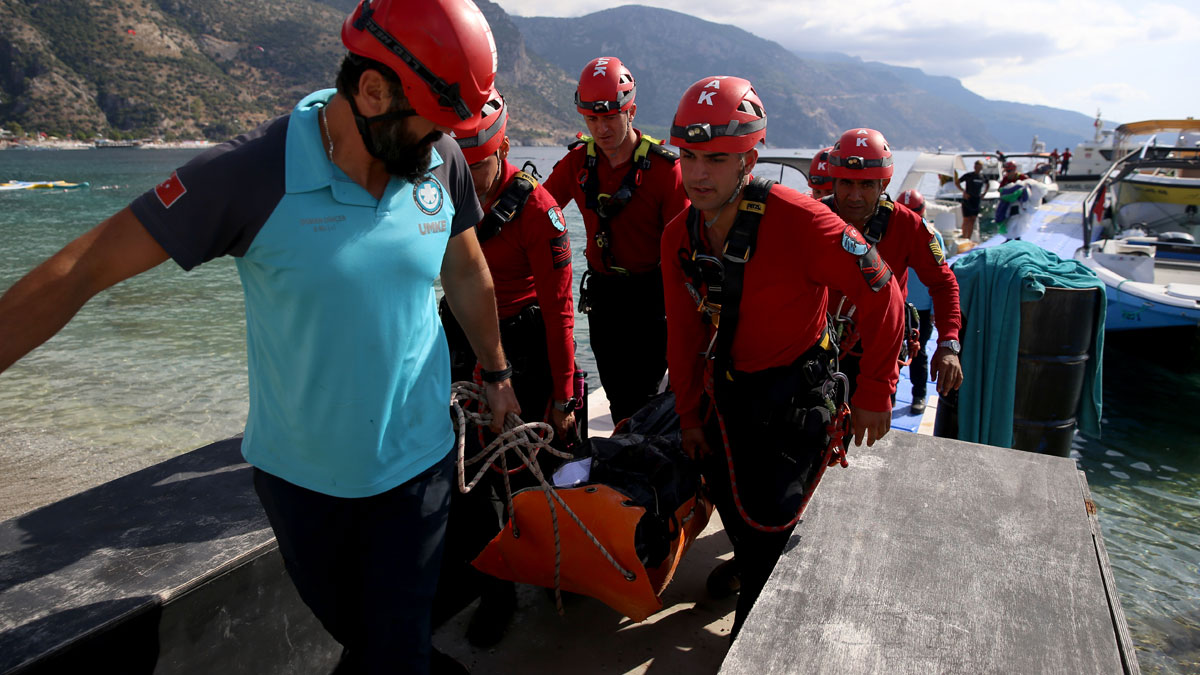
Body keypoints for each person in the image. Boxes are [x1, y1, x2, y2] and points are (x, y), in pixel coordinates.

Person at [0, 1, 517, 672]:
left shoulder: (440, 158)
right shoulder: (252, 174)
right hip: (301, 484)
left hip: (418, 468)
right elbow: (84, 267)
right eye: (431, 122)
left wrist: (498, 373)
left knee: (392, 652)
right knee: (373, 642)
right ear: (370, 90)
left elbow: (467, 268)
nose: (444, 142)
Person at [662, 76, 905, 639]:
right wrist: (690, 414)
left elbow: (884, 292)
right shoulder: (681, 233)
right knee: (735, 509)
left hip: (794, 396)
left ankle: (753, 636)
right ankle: (748, 569)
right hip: (728, 396)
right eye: (688, 156)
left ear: (748, 160)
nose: (696, 174)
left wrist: (875, 392)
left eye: (715, 159)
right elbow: (682, 333)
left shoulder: (803, 221)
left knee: (771, 525)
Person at [434, 87, 577, 648]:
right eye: (456, 169)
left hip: (521, 345)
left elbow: (561, 308)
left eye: (477, 167)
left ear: (505, 149)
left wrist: (563, 394)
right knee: (465, 472)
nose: (463, 181)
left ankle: (543, 568)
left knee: (521, 470)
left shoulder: (538, 210)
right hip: (459, 337)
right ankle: (493, 588)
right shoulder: (432, 197)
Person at [543, 56, 688, 425]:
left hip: (653, 298)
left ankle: (642, 462)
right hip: (605, 298)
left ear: (631, 111)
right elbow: (540, 212)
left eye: (609, 118)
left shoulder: (665, 171)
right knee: (616, 392)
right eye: (592, 119)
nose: (601, 129)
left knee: (644, 397)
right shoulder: (577, 164)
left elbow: (688, 246)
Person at [823, 127, 964, 404]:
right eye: (847, 183)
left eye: (866, 185)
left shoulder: (908, 227)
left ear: (883, 186)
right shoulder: (814, 218)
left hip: (878, 350)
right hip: (820, 343)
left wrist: (948, 344)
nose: (854, 196)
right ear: (834, 181)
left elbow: (943, 283)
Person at [896, 189, 945, 414]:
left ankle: (919, 394)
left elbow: (941, 278)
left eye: (914, 212)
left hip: (922, 309)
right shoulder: (888, 234)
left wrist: (936, 309)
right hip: (896, 306)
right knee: (891, 351)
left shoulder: (933, 237)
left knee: (919, 352)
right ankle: (889, 395)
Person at [954, 159, 987, 241]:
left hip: (976, 200)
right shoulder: (969, 175)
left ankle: (968, 238)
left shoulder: (982, 177)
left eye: (980, 167)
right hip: (968, 199)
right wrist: (963, 191)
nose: (978, 168)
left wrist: (984, 194)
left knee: (973, 219)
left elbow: (988, 184)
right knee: (966, 219)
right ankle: (964, 237)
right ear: (974, 167)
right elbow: (957, 182)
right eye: (977, 167)